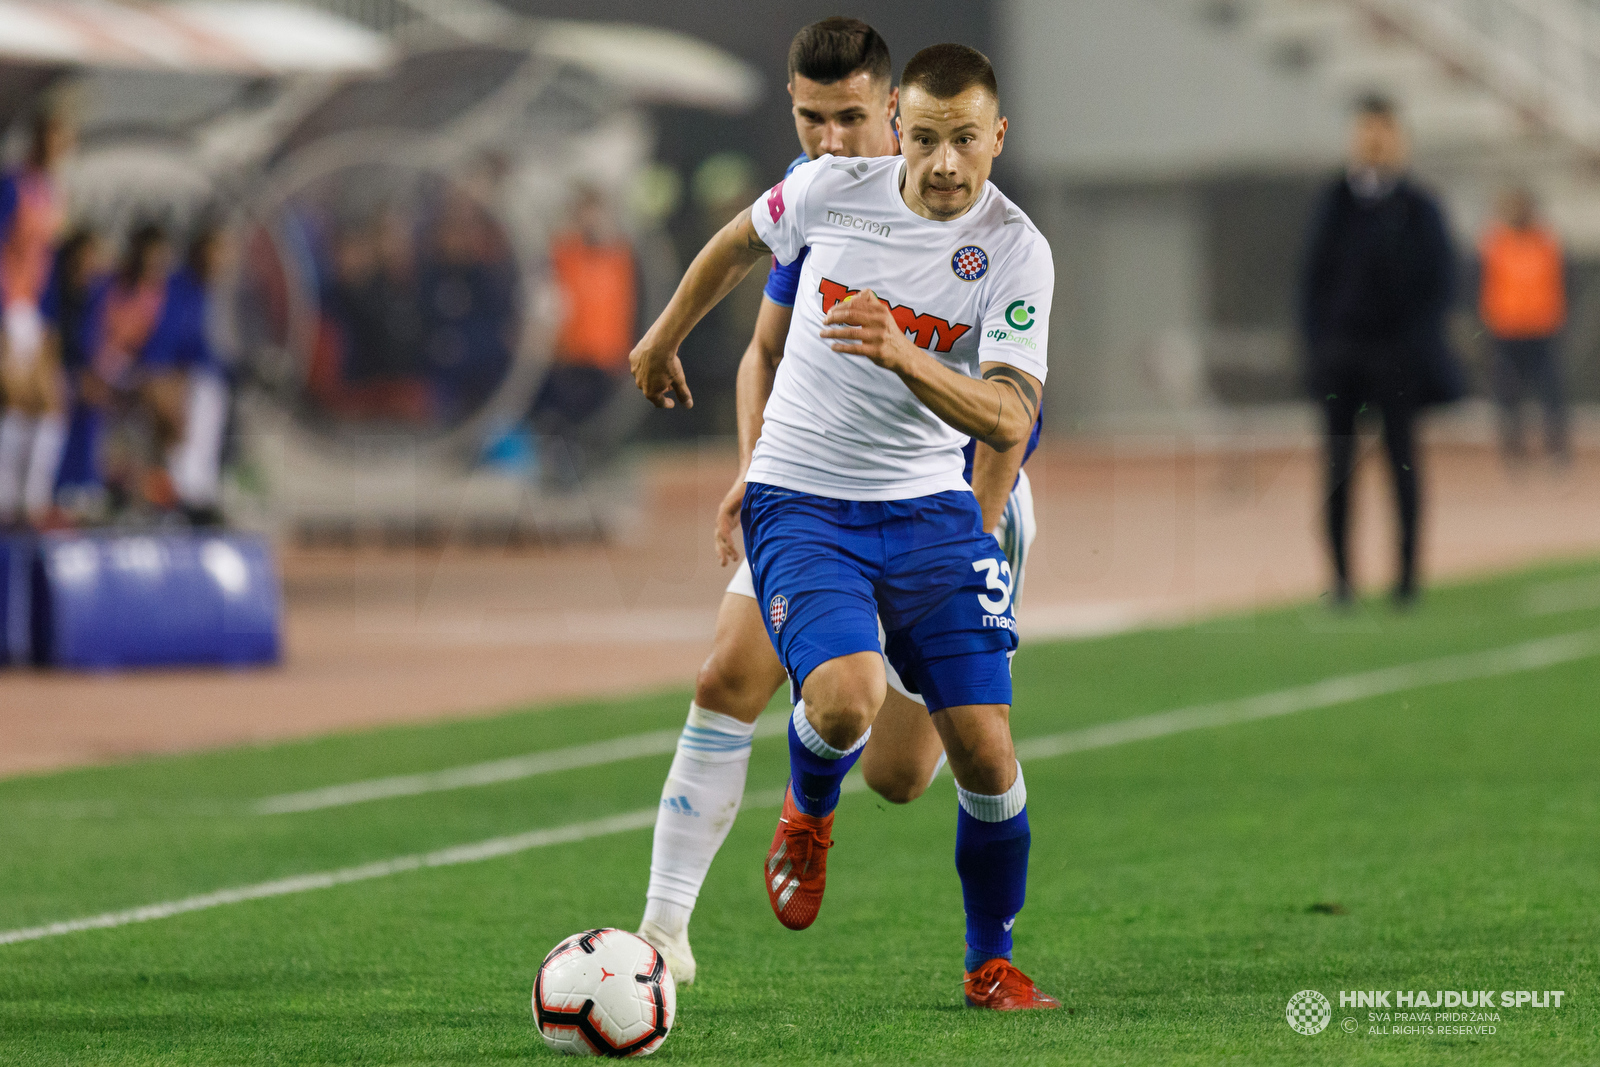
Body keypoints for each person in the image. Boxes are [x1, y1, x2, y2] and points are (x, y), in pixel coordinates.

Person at [631, 42, 1059, 1010]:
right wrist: (662, 336)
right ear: (898, 132)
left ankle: (991, 957)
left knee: (948, 766)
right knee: (834, 699)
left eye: (966, 141)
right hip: (805, 498)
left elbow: (1007, 418)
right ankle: (797, 817)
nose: (945, 163)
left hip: (941, 508)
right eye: (928, 139)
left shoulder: (1016, 249)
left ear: (997, 138)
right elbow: (738, 248)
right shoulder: (830, 191)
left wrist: (908, 360)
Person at [1299, 94, 1460, 609]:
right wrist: (1319, 346)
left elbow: (1441, 282)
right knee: (1337, 469)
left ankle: (1407, 578)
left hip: (1398, 358)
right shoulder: (1334, 203)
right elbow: (1312, 281)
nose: (1373, 141)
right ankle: (1342, 580)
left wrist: (1419, 347)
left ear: (1398, 137)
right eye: (1365, 131)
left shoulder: (1419, 207)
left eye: (1383, 131)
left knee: (1403, 465)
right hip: (1343, 357)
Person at [529, 185, 638, 484]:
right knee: (566, 420)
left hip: (608, 355)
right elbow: (547, 301)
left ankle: (592, 473)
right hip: (571, 354)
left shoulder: (619, 256)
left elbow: (627, 306)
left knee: (600, 424)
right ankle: (565, 473)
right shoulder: (562, 254)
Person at [0, 110, 72, 527]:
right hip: (10, 306)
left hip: (34, 309)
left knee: (47, 406)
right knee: (13, 401)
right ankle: (8, 503)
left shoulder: (53, 191)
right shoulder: (13, 184)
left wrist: (46, 318)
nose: (55, 149)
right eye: (49, 138)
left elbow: (45, 259)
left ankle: (32, 501)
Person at [146, 221, 233, 525]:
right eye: (213, 252)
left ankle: (199, 492)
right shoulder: (175, 287)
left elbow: (202, 348)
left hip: (189, 374)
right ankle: (178, 495)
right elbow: (161, 342)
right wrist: (170, 375)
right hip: (158, 370)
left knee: (212, 389)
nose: (218, 261)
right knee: (197, 396)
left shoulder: (203, 292)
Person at [1478, 187, 1570, 467]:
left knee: (1551, 393)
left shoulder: (1547, 241)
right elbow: (1483, 283)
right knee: (1508, 394)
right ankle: (1514, 451)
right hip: (1507, 330)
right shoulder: (1495, 242)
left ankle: (1557, 450)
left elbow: (1564, 280)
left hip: (1542, 328)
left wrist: (1556, 315)